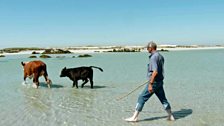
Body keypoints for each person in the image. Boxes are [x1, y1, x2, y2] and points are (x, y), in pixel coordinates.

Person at [124, 41, 175, 122]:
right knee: (163, 99)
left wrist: (150, 83)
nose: (147, 49)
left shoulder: (154, 57)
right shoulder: (160, 56)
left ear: (151, 48)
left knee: (141, 97)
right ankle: (170, 116)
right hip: (159, 82)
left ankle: (134, 117)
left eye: (147, 48)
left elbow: (155, 71)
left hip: (154, 82)